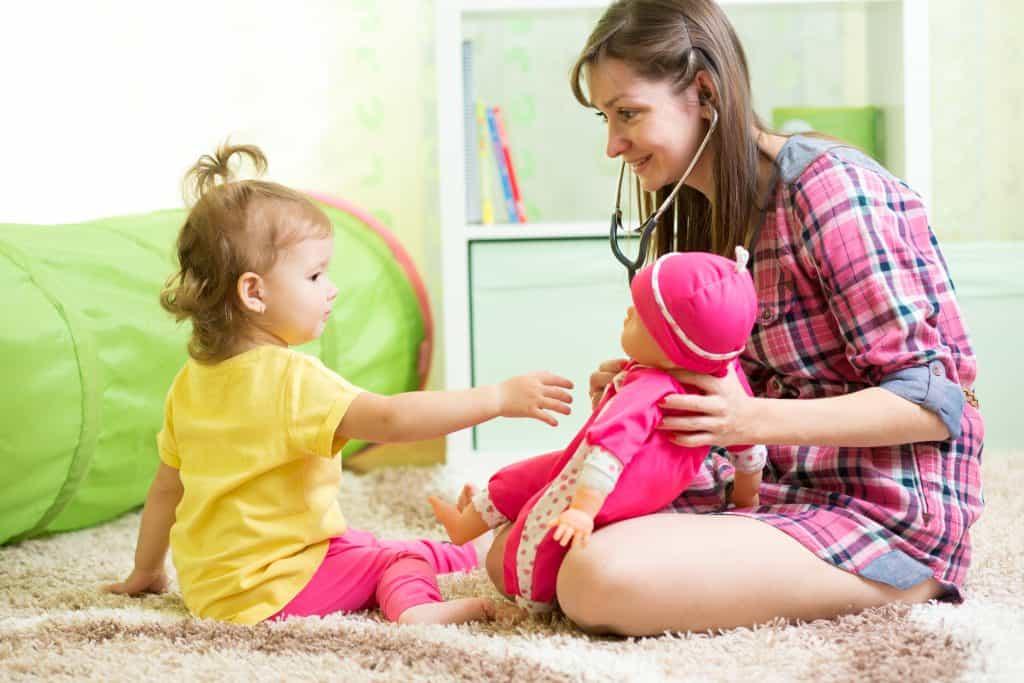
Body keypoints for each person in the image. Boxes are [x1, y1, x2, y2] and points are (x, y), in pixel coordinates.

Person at [474, 0, 984, 636]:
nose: (612, 145)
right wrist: (656, 384)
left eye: (628, 113)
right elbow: (732, 385)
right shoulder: (710, 213)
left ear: (705, 93)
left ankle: (897, 583)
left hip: (880, 507)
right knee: (514, 556)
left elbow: (936, 407)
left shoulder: (834, 192)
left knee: (593, 578)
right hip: (767, 481)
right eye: (605, 119)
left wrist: (751, 418)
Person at [105, 143, 575, 627]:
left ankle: (464, 554)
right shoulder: (292, 379)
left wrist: (146, 570)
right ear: (254, 292)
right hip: (278, 587)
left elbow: (165, 489)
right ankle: (415, 609)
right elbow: (391, 419)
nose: (331, 288)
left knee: (372, 543)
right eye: (314, 275)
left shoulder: (189, 383)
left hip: (213, 588)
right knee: (396, 562)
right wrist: (496, 398)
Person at [429, 248, 767, 614]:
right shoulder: (724, 377)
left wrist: (581, 512)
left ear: (671, 353)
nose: (627, 314)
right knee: (525, 475)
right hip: (604, 463)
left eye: (639, 319)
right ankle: (468, 521)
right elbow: (747, 446)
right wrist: (746, 497)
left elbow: (609, 455)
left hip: (613, 482)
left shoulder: (649, 391)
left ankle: (529, 603)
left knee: (536, 525)